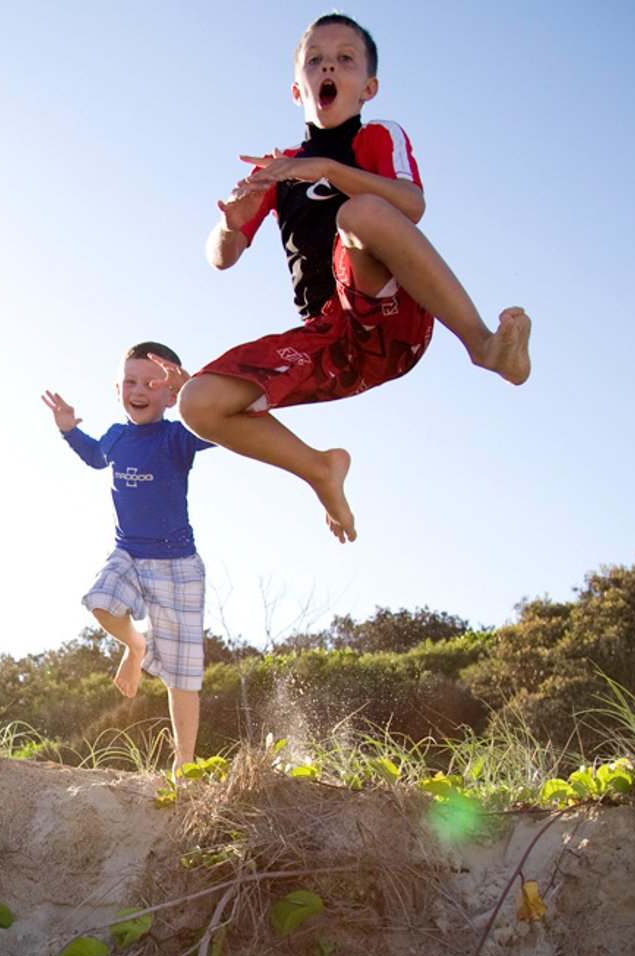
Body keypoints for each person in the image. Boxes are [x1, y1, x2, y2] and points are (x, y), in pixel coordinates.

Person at [171, 12, 531, 545]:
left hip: (391, 317)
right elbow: (220, 258)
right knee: (197, 402)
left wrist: (327, 171)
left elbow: (411, 205)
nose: (328, 66)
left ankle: (483, 346)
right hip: (332, 345)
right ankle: (320, 469)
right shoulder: (282, 170)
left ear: (369, 87)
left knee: (358, 214)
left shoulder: (375, 136)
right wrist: (230, 219)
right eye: (315, 61)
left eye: (344, 58)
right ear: (299, 90)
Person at [43, 342, 215, 773]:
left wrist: (194, 387)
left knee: (182, 679)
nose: (139, 391)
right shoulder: (117, 437)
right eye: (131, 382)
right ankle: (136, 644)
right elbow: (94, 457)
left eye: (152, 384)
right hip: (129, 553)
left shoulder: (177, 437)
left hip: (178, 566)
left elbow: (218, 426)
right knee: (99, 602)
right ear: (118, 388)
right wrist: (68, 430)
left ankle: (185, 765)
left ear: (170, 395)